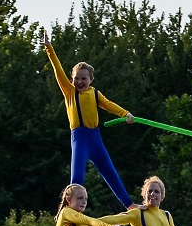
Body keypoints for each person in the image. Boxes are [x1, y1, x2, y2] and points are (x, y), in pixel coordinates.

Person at [41, 30, 137, 210]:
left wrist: (126, 114)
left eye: (83, 79)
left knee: (111, 173)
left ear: (91, 80)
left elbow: (109, 105)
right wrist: (49, 49)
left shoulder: (94, 93)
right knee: (77, 179)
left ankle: (129, 205)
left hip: (95, 138)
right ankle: (68, 210)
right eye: (76, 78)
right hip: (80, 138)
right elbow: (58, 70)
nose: (79, 82)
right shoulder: (70, 92)